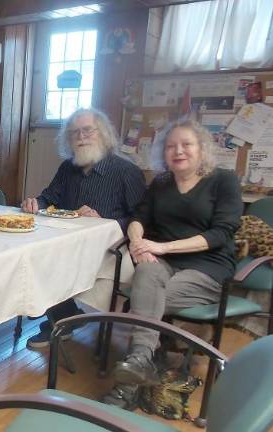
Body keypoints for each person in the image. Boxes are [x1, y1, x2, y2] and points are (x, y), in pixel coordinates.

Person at [102, 119, 242, 409]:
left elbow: (221, 233)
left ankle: (127, 385)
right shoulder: (161, 183)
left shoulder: (224, 180)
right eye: (170, 146)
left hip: (208, 267)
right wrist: (138, 243)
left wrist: (162, 246)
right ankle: (142, 360)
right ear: (163, 153)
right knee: (147, 273)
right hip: (161, 263)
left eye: (186, 144)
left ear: (201, 149)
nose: (178, 151)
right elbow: (138, 218)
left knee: (146, 294)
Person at [21, 108, 146, 348]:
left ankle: (61, 317)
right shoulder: (68, 167)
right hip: (69, 242)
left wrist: (106, 222)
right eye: (74, 132)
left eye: (87, 130)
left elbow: (141, 218)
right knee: (37, 252)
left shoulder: (126, 171)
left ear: (104, 134)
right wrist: (36, 202)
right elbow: (50, 196)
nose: (81, 137)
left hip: (108, 250)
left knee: (49, 261)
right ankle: (64, 317)